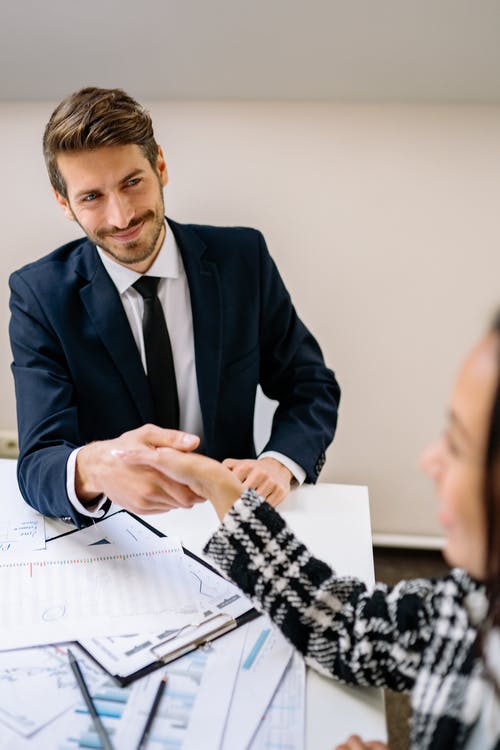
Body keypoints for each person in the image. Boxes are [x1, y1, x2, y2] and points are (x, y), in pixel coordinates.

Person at [115, 312, 500, 749]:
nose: (429, 461)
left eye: (460, 446)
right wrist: (223, 491)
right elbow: (344, 627)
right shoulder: (471, 602)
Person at [8, 87, 340, 527]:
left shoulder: (244, 258)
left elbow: (310, 385)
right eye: (92, 197)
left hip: (228, 514)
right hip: (112, 531)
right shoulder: (39, 295)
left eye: (132, 183)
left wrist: (280, 462)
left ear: (160, 166)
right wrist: (96, 466)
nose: (121, 216)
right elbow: (38, 463)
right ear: (63, 203)